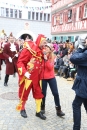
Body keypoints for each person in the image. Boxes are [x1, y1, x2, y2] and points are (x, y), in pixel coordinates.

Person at [16, 34, 47, 120]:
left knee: (38, 94)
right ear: (40, 41)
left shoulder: (41, 51)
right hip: (28, 77)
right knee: (24, 93)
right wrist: (25, 72)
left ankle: (38, 111)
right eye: (44, 42)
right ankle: (22, 109)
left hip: (37, 78)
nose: (45, 44)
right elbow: (20, 62)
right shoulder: (28, 49)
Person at [41, 43, 65, 117]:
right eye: (46, 47)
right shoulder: (42, 54)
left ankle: (58, 110)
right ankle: (42, 108)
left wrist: (46, 60)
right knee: (43, 94)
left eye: (48, 47)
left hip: (51, 77)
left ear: (51, 49)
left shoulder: (52, 56)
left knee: (55, 93)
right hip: (43, 77)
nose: (46, 48)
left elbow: (50, 67)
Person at [70, 35, 87, 130]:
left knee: (76, 105)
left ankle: (76, 128)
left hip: (84, 83)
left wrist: (80, 48)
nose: (85, 41)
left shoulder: (85, 53)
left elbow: (73, 58)